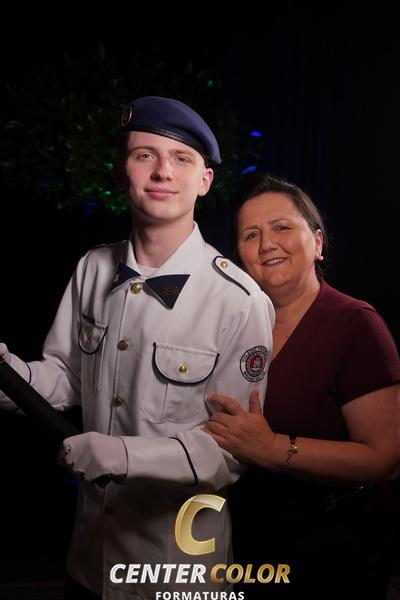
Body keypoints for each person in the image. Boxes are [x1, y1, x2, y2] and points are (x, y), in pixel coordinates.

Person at [0, 98, 275, 599]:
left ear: (205, 181)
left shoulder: (240, 301)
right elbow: (65, 378)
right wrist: (7, 374)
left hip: (176, 572)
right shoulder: (92, 268)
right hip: (89, 559)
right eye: (144, 155)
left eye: (181, 158)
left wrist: (122, 454)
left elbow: (231, 451)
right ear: (121, 172)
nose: (162, 171)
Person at [204, 172, 400, 600]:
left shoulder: (356, 325)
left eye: (281, 228)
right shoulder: (233, 327)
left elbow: (386, 459)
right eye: (251, 234)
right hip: (245, 549)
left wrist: (271, 448)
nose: (266, 244)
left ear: (317, 243)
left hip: (332, 558)